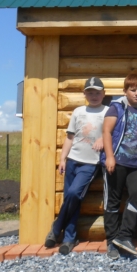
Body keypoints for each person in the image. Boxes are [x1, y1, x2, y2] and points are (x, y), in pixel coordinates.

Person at [45, 77, 108, 255]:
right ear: (84, 94)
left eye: (97, 92)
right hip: (73, 159)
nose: (94, 96)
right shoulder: (78, 111)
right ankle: (69, 238)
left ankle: (57, 227)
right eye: (90, 92)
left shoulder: (108, 111)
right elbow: (70, 137)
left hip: (91, 162)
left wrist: (103, 139)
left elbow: (112, 133)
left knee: (74, 193)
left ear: (103, 94)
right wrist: (63, 158)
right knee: (71, 199)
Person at [96, 73, 137, 259]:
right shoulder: (116, 107)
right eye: (133, 90)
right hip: (116, 162)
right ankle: (111, 242)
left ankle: (124, 236)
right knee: (113, 201)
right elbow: (106, 132)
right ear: (125, 91)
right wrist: (110, 156)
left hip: (136, 164)